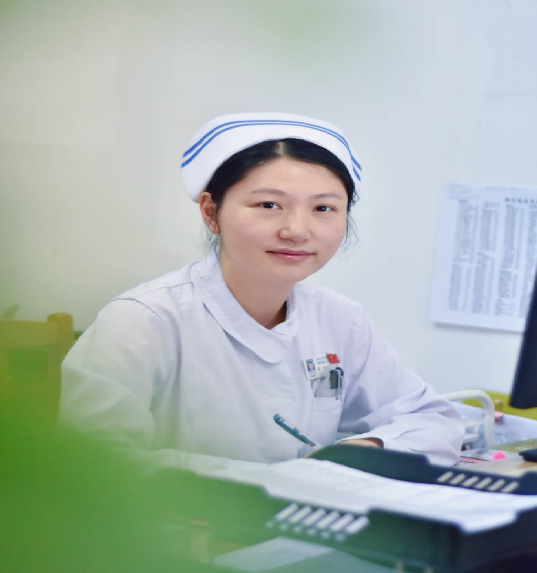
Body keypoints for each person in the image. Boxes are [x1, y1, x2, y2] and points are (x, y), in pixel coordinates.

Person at [59, 112, 463, 471]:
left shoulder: (340, 320)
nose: (297, 230)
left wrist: (364, 448)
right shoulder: (143, 320)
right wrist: (273, 482)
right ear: (211, 212)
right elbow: (93, 466)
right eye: (269, 205)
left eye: (323, 208)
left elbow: (434, 419)